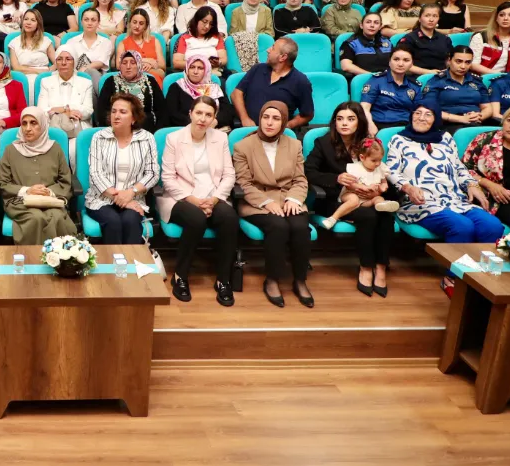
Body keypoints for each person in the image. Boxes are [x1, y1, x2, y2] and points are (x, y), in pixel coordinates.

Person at [304, 102, 396, 296]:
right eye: (340, 119)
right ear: (334, 122)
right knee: (368, 215)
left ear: (359, 122)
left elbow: (381, 171)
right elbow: (308, 171)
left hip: (369, 197)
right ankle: (366, 267)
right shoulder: (323, 143)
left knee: (386, 214)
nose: (344, 123)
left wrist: (378, 191)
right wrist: (336, 179)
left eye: (350, 119)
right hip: (335, 200)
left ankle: (380, 267)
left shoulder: (370, 145)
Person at [158, 96, 239, 305]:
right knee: (196, 219)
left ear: (214, 118)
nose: (203, 119)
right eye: (199, 113)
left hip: (213, 196)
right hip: (180, 197)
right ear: (190, 114)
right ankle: (180, 276)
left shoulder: (220, 138)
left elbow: (229, 175)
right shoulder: (174, 138)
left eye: (208, 115)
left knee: (230, 218)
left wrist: (214, 199)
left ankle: (223, 279)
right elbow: (168, 178)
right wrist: (195, 201)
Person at [232, 101, 314, 308]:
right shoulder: (243, 146)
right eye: (265, 117)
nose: (269, 122)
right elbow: (244, 183)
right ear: (259, 119)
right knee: (278, 226)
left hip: (288, 198)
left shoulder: (294, 145)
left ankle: (300, 280)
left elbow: (300, 180)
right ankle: (272, 279)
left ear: (284, 122)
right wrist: (266, 202)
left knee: (300, 226)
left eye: (276, 118)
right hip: (257, 201)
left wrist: (293, 199)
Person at [387, 96, 502, 242]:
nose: (421, 118)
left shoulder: (445, 138)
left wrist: (471, 185)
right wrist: (408, 188)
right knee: (462, 227)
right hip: (421, 203)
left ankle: (480, 259)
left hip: (455, 200)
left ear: (436, 118)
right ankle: (457, 259)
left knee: (492, 226)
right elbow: (390, 171)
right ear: (411, 115)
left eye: (428, 114)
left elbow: (458, 168)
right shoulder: (399, 140)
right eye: (417, 113)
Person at [84, 93, 159, 244]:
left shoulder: (147, 138)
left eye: (123, 112)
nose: (116, 116)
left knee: (130, 220)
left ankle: (132, 259)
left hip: (134, 198)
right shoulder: (99, 137)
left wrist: (131, 192)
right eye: (114, 111)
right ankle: (113, 259)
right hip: (102, 200)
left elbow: (152, 173)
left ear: (134, 118)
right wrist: (120, 198)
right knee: (113, 221)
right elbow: (95, 174)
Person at [0, 106, 78, 244]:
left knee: (57, 217)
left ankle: (58, 257)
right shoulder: (11, 150)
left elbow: (65, 180)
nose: (28, 128)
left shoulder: (55, 148)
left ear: (43, 125)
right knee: (36, 218)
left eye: (33, 123)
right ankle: (33, 257)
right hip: (20, 201)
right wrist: (27, 190)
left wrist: (48, 192)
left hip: (51, 200)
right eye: (24, 123)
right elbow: (3, 183)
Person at [463, 103, 510, 230]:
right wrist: (488, 184)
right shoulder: (485, 139)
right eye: (509, 120)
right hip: (494, 199)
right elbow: (463, 169)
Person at [232, 38, 314, 129]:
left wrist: (288, 125)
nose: (268, 50)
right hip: (248, 129)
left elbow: (307, 114)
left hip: (277, 133)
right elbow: (236, 93)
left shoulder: (301, 81)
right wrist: (244, 118)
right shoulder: (258, 69)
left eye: (273, 48)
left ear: (283, 57)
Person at [317, 138, 397, 230]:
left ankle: (382, 206)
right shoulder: (356, 168)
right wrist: (363, 187)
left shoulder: (380, 168)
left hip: (367, 200)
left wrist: (383, 187)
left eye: (380, 160)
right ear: (362, 158)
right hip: (350, 194)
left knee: (379, 198)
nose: (377, 163)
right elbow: (349, 184)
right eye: (374, 160)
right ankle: (333, 218)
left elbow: (383, 181)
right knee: (354, 200)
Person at [38, 47, 94, 159]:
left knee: (75, 152)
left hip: (78, 128)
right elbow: (41, 111)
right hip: (53, 127)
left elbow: (88, 110)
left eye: (68, 59)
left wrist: (60, 109)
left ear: (74, 62)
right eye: (59, 59)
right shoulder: (46, 82)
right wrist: (66, 111)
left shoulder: (86, 83)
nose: (63, 63)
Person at [421, 46, 491, 130]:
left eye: (468, 62)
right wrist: (460, 119)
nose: (463, 66)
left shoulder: (476, 81)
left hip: (476, 123)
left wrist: (479, 116)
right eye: (458, 61)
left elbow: (487, 107)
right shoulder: (437, 80)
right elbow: (428, 109)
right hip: (448, 124)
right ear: (449, 60)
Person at [97, 51, 164, 133]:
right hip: (117, 130)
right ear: (120, 66)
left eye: (133, 63)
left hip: (148, 129)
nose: (128, 67)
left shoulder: (150, 81)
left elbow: (162, 110)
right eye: (124, 63)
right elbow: (102, 111)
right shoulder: (110, 82)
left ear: (139, 65)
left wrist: (157, 133)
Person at [360, 46, 421, 135]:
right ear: (389, 62)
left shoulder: (415, 86)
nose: (400, 64)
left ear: (411, 64)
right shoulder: (376, 80)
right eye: (396, 59)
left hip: (406, 128)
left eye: (406, 60)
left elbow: (418, 111)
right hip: (379, 126)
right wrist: (370, 125)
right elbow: (364, 107)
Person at [165, 52, 235, 129]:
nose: (195, 71)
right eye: (192, 67)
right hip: (186, 129)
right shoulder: (176, 87)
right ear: (187, 69)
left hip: (215, 128)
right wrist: (200, 124)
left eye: (200, 68)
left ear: (206, 71)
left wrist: (215, 121)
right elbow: (172, 114)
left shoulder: (215, 88)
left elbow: (228, 111)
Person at [64, 8, 114, 89]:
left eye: (93, 20)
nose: (89, 23)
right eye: (86, 20)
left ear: (98, 23)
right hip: (75, 78)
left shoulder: (105, 42)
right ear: (81, 22)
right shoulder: (71, 42)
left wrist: (84, 69)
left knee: (92, 72)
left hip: (97, 78)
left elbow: (100, 63)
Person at [469, 1, 510, 76]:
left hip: (508, 78)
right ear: (496, 17)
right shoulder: (480, 36)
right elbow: (473, 64)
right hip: (481, 77)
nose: (505, 18)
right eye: (501, 15)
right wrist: (498, 75)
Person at [8, 9, 55, 90]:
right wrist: (38, 71)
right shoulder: (14, 42)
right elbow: (16, 68)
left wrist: (49, 71)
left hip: (44, 78)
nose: (28, 23)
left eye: (33, 20)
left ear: (38, 24)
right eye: (26, 19)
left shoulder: (46, 41)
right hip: (24, 78)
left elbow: (57, 62)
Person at [402, 4, 454, 75]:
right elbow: (403, 63)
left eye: (435, 16)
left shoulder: (444, 39)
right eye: (427, 16)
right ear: (419, 19)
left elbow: (448, 61)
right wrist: (428, 72)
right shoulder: (410, 38)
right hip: (417, 77)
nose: (431, 20)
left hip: (441, 76)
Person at [174, 5, 228, 71]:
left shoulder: (217, 37)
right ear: (196, 20)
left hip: (213, 71)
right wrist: (199, 65)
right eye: (204, 22)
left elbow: (223, 59)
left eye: (211, 24)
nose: (207, 26)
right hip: (191, 72)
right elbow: (177, 63)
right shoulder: (183, 38)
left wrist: (217, 63)